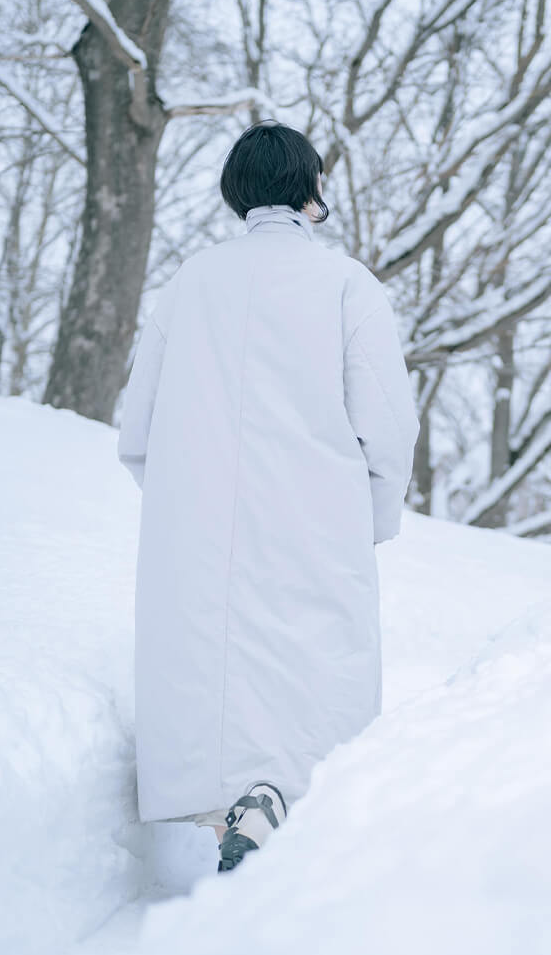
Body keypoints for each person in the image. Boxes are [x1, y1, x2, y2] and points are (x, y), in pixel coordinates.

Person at [117, 121, 419, 873]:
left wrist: (189, 495)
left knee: (212, 665)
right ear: (311, 190)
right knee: (309, 664)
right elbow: (387, 422)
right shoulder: (346, 283)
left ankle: (232, 814)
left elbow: (138, 428)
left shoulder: (190, 284)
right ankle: (282, 821)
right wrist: (373, 516)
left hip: (197, 524)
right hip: (319, 516)